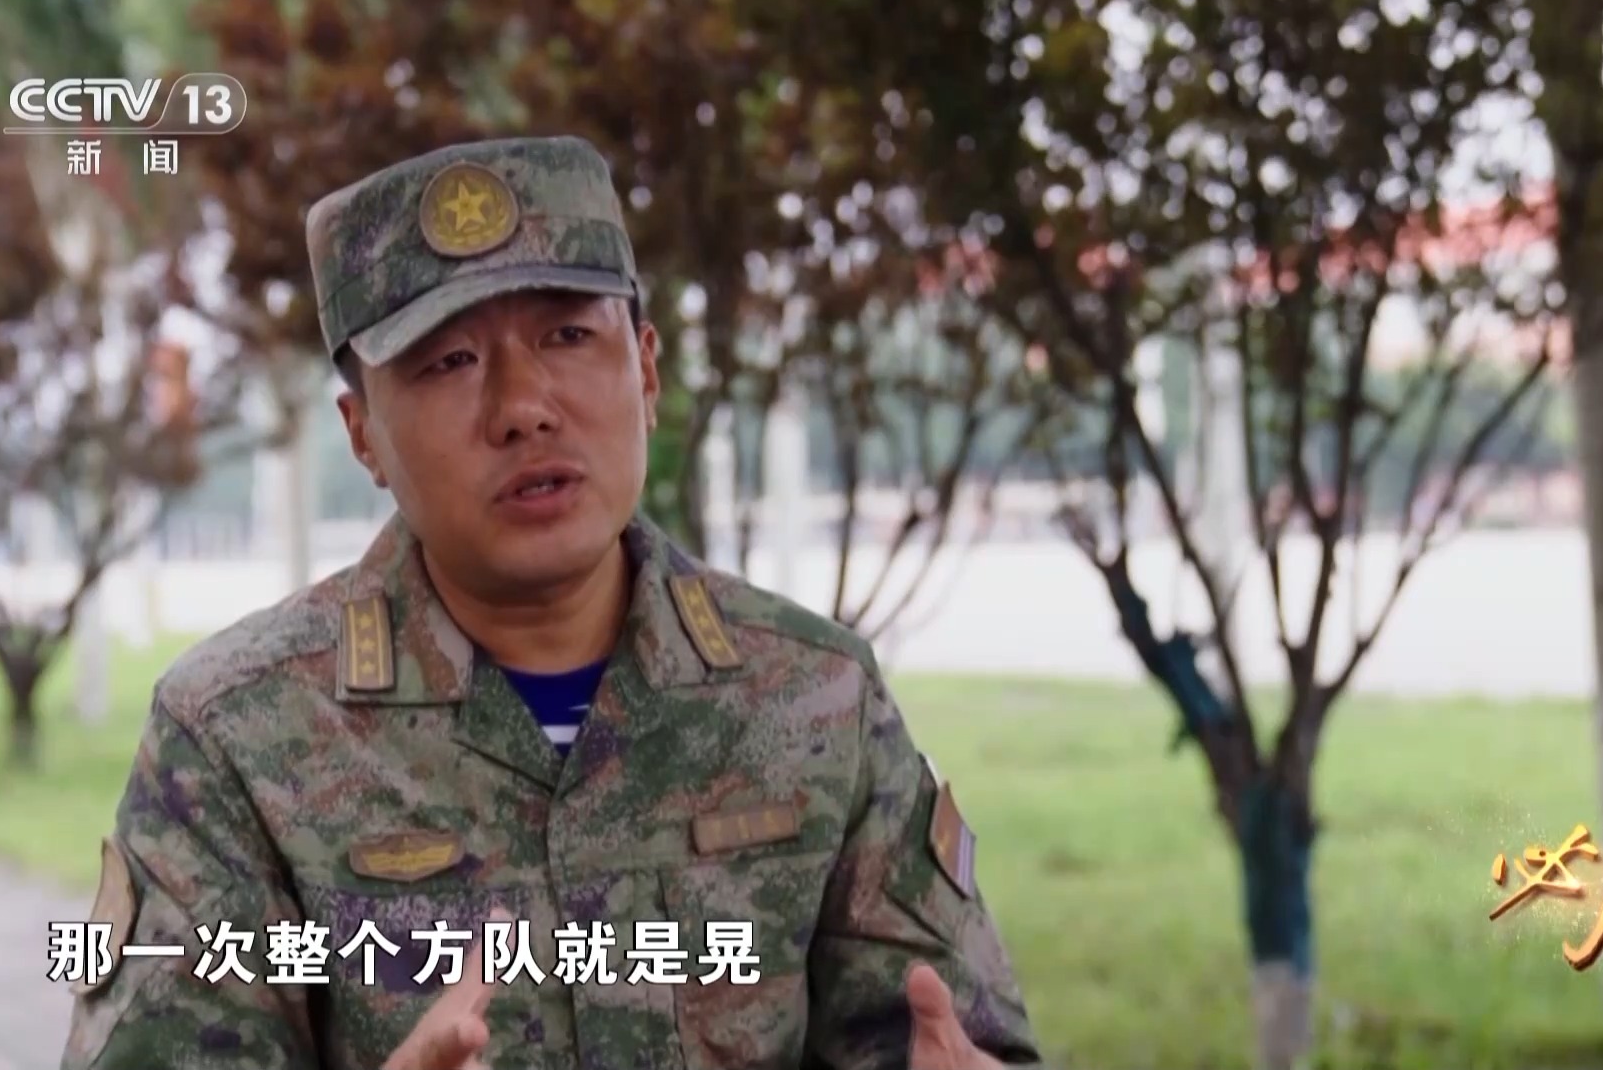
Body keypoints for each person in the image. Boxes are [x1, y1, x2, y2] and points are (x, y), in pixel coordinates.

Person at [59, 135, 1043, 1070]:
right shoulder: (238, 737)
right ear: (362, 435)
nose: (524, 407)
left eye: (568, 335)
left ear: (646, 370)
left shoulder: (815, 694)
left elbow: (947, 1036)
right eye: (448, 362)